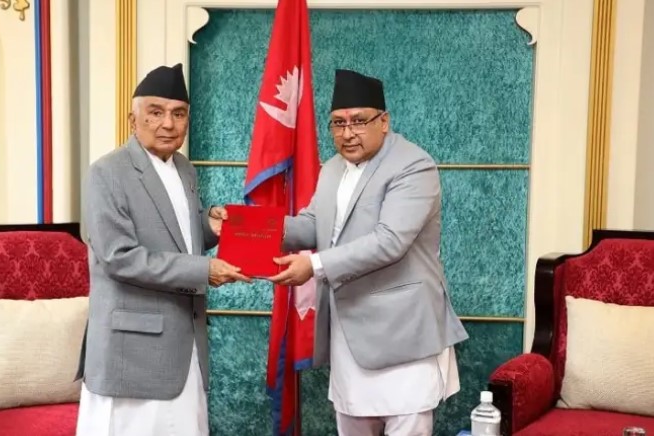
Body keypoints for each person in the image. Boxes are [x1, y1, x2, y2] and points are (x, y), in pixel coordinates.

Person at [269, 69, 469, 436]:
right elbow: (315, 224)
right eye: (338, 123)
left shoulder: (414, 165)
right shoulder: (332, 168)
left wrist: (314, 265)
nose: (348, 133)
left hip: (403, 335)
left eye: (359, 121)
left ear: (384, 121)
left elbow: (389, 240)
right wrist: (249, 229)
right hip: (349, 334)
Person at [75, 63, 250, 436]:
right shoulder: (106, 172)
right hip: (131, 352)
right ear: (132, 120)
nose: (168, 124)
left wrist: (210, 226)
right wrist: (203, 270)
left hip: (183, 344)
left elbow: (175, 235)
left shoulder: (184, 168)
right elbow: (120, 257)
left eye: (178, 113)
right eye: (155, 112)